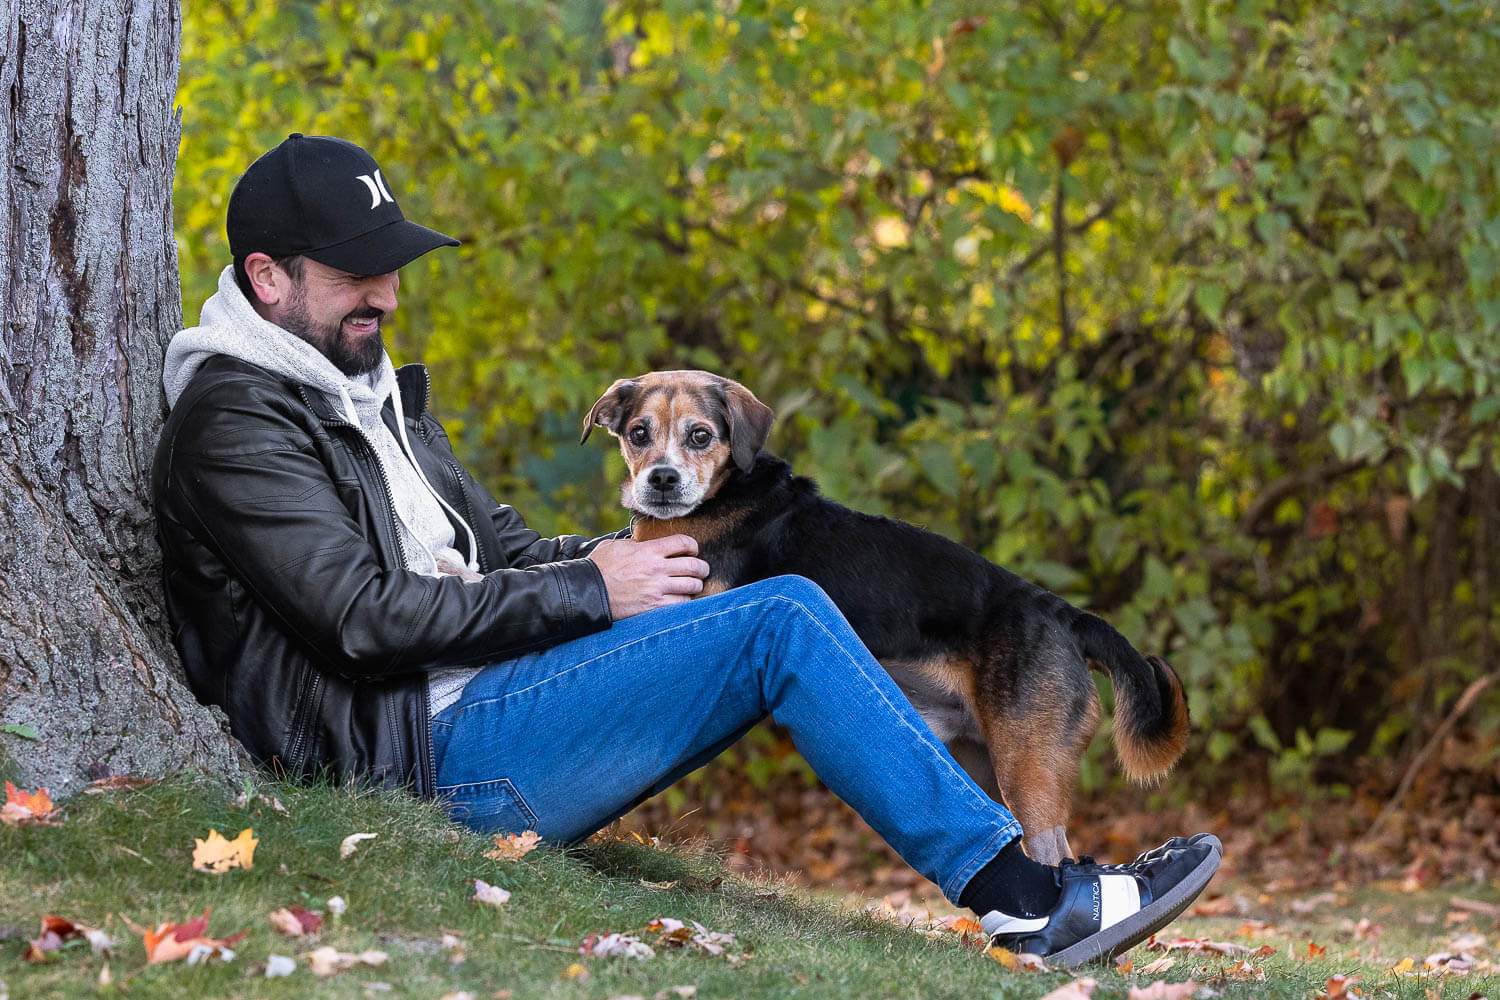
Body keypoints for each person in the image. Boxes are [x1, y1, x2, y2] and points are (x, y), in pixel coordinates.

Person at [152, 133, 1222, 967]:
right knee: (784, 612)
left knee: (763, 599)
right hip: (425, 765)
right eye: (354, 274)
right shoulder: (238, 419)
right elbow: (361, 618)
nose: (384, 295)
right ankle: (1035, 902)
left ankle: (1039, 884)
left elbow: (509, 546)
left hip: (493, 701)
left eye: (392, 267)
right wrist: (593, 583)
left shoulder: (368, 388)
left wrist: (628, 567)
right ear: (268, 276)